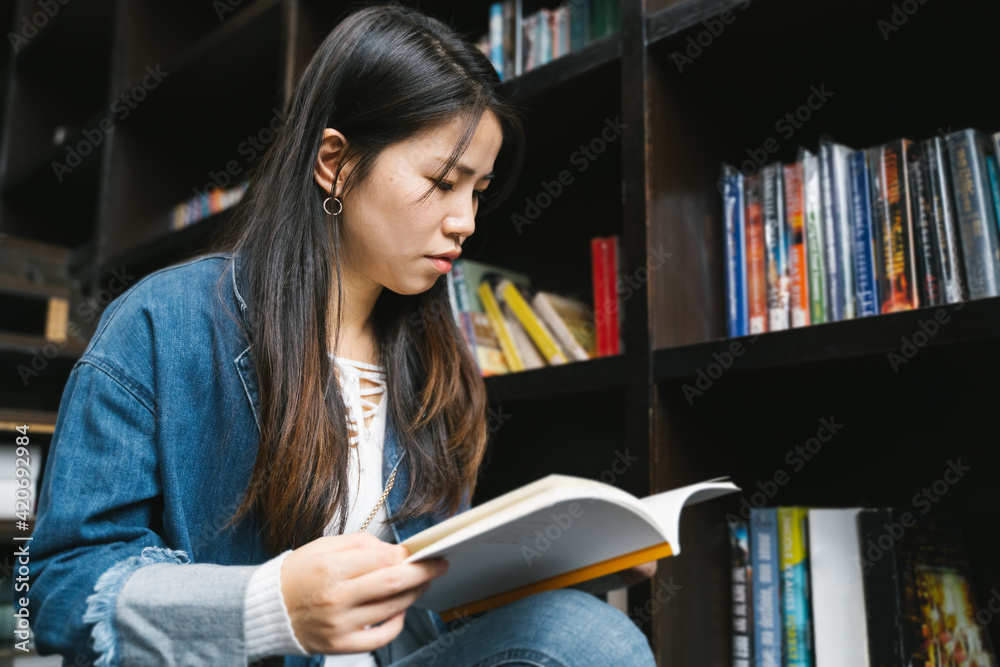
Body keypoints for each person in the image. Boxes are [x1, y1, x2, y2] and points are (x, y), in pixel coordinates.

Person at [21, 4, 658, 666]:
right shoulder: (163, 323)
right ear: (335, 163)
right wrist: (271, 604)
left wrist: (563, 564)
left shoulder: (436, 360)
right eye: (443, 182)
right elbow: (63, 593)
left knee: (586, 631)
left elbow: (428, 602)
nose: (465, 220)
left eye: (478, 191)